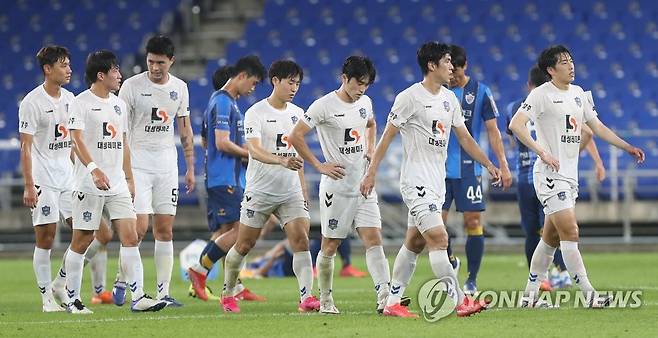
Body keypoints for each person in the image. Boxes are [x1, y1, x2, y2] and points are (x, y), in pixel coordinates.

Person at [360, 41, 501, 318]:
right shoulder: (409, 97)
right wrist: (371, 173)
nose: (452, 67)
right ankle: (459, 301)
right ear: (431, 65)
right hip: (416, 181)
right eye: (447, 61)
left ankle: (392, 302)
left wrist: (488, 163)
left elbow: (464, 137)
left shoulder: (449, 99)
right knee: (439, 238)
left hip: (436, 182)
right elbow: (387, 137)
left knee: (414, 243)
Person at [509, 45, 645, 308]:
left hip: (570, 176)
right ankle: (589, 295)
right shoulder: (541, 95)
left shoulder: (579, 93)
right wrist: (541, 152)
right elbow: (516, 125)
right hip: (550, 174)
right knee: (570, 230)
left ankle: (529, 296)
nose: (571, 65)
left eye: (571, 60)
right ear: (550, 70)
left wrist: (626, 146)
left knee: (550, 238)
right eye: (563, 62)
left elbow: (597, 127)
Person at [65, 50, 167, 313]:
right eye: (115, 71)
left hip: (118, 184)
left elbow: (122, 143)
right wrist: (93, 170)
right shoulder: (80, 103)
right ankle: (72, 298)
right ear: (101, 75)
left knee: (130, 236)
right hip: (89, 184)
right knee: (83, 239)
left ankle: (139, 297)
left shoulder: (118, 104)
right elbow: (75, 140)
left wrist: (129, 178)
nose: (120, 76)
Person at [289, 55, 391, 315]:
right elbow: (295, 136)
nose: (362, 90)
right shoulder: (323, 106)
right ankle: (325, 301)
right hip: (337, 187)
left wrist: (370, 148)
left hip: (363, 184)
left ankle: (385, 298)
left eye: (366, 85)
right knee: (330, 244)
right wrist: (319, 165)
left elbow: (371, 123)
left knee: (373, 238)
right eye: (358, 83)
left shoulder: (365, 102)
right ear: (344, 78)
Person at [220, 60, 320, 313]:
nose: (294, 87)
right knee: (244, 245)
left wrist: (303, 189)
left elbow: (298, 156)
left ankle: (306, 298)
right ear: (275, 81)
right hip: (260, 190)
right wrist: (281, 160)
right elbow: (253, 149)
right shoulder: (255, 112)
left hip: (290, 191)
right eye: (290, 82)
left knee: (301, 241)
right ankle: (228, 291)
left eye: (297, 83)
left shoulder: (298, 114)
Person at [505, 65, 607, 291]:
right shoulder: (549, 100)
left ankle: (533, 291)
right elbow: (587, 133)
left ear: (528, 85)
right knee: (565, 231)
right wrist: (589, 160)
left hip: (528, 176)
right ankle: (582, 289)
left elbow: (512, 137)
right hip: (549, 174)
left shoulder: (516, 106)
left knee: (544, 234)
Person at [111, 35, 194, 307]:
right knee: (138, 229)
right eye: (150, 62)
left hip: (167, 165)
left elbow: (184, 129)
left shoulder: (180, 88)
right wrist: (123, 170)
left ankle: (163, 293)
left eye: (160, 62)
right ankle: (123, 279)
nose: (155, 68)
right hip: (138, 164)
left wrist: (190, 166)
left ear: (171, 61)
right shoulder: (131, 87)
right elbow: (120, 130)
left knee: (165, 230)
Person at [187, 56, 267, 302]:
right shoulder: (222, 102)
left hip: (229, 177)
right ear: (241, 76)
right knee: (242, 232)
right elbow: (221, 142)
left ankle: (234, 287)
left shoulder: (229, 104)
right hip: (225, 179)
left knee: (229, 233)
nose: (252, 89)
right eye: (252, 83)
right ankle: (199, 271)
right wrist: (254, 155)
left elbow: (205, 140)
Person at [442, 44, 513, 295]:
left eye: (457, 74)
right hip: (438, 170)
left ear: (465, 66)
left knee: (473, 220)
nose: (454, 78)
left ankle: (471, 279)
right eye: (450, 73)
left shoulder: (481, 92)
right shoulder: (437, 91)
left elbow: (494, 131)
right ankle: (450, 262)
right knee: (437, 225)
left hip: (469, 168)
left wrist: (503, 165)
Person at [19, 45, 76, 312]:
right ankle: (46, 298)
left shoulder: (71, 99)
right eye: (63, 65)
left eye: (68, 64)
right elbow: (26, 147)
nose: (69, 69)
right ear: (48, 69)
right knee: (47, 238)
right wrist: (29, 185)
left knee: (86, 233)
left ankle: (60, 285)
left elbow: (75, 142)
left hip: (69, 176)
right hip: (44, 178)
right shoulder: (32, 103)